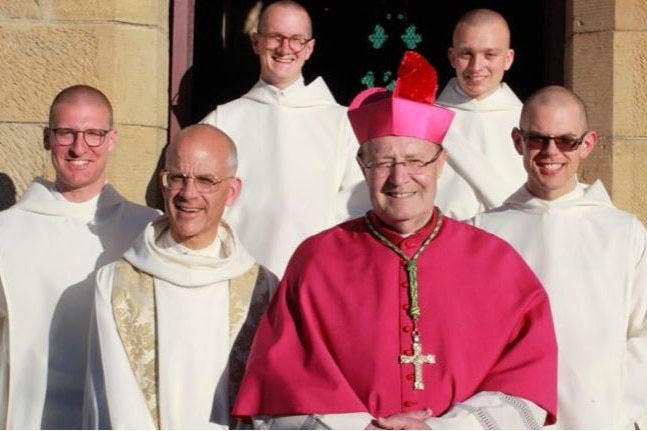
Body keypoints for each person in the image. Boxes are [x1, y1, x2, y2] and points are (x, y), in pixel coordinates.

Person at [232, 51, 557, 429]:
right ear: (361, 167)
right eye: (382, 162)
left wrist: (444, 428)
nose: (399, 178)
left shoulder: (496, 260)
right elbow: (281, 383)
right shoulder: (317, 259)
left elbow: (528, 382)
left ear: (440, 163)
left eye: (416, 161)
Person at [471, 85, 647, 429]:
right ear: (518, 141)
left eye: (566, 140)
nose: (551, 152)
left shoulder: (624, 233)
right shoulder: (483, 233)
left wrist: (617, 414)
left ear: (587, 144)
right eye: (537, 139)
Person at [83, 124, 278, 429]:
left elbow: (268, 400)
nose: (189, 194)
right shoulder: (116, 283)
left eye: (205, 180)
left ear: (232, 191)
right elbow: (111, 400)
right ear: (163, 184)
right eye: (177, 178)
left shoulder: (260, 288)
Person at [0, 85, 160, 429]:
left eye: (93, 134)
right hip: (27, 416)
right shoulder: (6, 231)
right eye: (66, 133)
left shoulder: (147, 230)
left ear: (112, 139)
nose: (78, 147)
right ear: (46, 138)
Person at [200, 0, 370, 278]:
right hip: (235, 278)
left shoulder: (343, 124)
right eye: (275, 37)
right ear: (256, 42)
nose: (284, 48)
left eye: (296, 40)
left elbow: (356, 209)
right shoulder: (222, 121)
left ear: (309, 48)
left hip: (316, 278)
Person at [434, 8, 526, 220]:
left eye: (490, 54)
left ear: (508, 58)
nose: (477, 66)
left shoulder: (531, 122)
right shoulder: (423, 120)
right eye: (466, 54)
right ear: (452, 57)